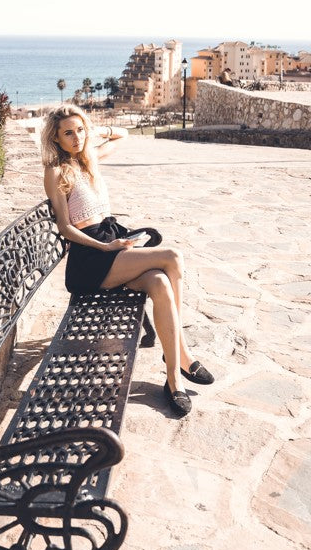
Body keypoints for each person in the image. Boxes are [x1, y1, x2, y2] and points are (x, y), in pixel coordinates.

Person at [41, 104, 213, 418]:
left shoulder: (87, 160)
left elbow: (123, 136)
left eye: (80, 130)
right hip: (91, 259)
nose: (77, 137)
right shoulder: (56, 171)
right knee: (173, 257)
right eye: (68, 132)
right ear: (56, 137)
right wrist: (105, 248)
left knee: (160, 282)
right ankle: (183, 355)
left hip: (110, 249)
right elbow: (65, 228)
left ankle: (174, 379)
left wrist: (94, 132)